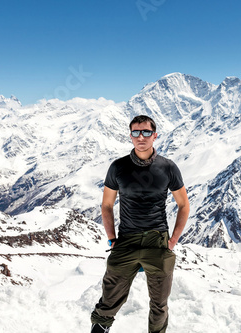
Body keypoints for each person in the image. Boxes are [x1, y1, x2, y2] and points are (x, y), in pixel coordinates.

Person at [91, 115, 190, 333]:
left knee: (159, 304)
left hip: (158, 241)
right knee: (109, 298)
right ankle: (100, 329)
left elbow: (184, 205)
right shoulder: (118, 167)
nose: (141, 137)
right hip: (127, 239)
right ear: (130, 136)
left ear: (155, 135)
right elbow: (107, 205)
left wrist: (173, 240)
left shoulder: (168, 168)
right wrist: (112, 238)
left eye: (146, 132)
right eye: (136, 132)